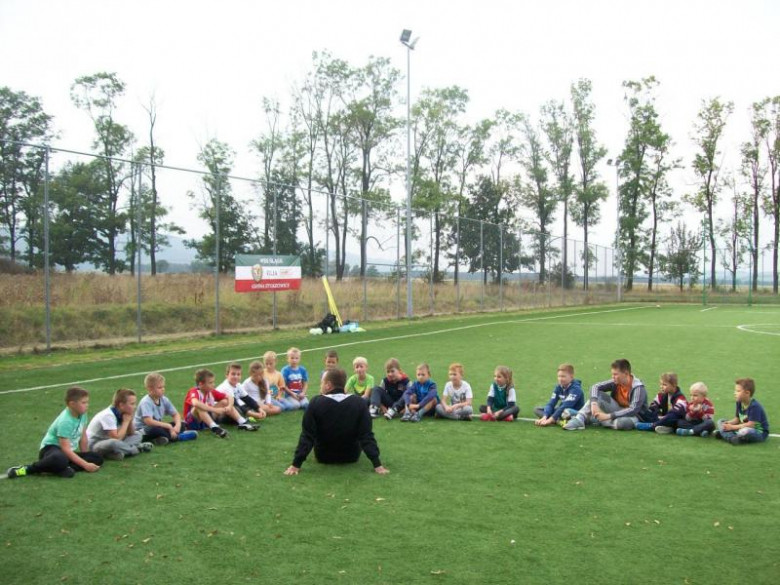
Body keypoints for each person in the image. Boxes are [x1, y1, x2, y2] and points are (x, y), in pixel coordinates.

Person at [284, 368, 389, 476]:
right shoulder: (359, 402)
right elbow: (366, 435)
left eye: (322, 383)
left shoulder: (315, 402)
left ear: (328, 385)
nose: (321, 386)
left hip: (324, 456)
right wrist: (377, 465)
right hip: (351, 456)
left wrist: (296, 464)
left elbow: (307, 435)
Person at [7, 386, 103, 479]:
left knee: (96, 457)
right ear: (72, 404)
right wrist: (85, 464)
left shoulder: (82, 414)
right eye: (84, 402)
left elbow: (83, 437)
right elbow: (65, 449)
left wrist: (85, 456)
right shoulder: (65, 421)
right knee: (59, 459)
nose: (87, 405)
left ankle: (63, 468)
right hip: (51, 450)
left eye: (87, 402)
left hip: (66, 454)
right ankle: (28, 469)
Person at [563, 359, 649, 431]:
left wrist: (608, 416)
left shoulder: (638, 388)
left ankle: (584, 416)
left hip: (634, 416)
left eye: (615, 374)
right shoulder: (616, 382)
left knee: (622, 424)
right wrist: (594, 404)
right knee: (598, 395)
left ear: (626, 374)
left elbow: (633, 410)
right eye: (612, 374)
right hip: (616, 410)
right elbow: (595, 387)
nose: (613, 377)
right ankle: (580, 418)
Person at [183, 369, 255, 438]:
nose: (213, 385)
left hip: (206, 420)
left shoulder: (211, 391)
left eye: (213, 382)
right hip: (192, 422)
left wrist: (229, 406)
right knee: (199, 407)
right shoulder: (194, 391)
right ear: (201, 384)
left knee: (225, 402)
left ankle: (242, 422)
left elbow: (230, 397)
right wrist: (215, 410)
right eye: (210, 383)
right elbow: (195, 403)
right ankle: (215, 428)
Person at [86, 389, 153, 461]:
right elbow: (116, 438)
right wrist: (126, 422)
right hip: (95, 444)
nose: (135, 406)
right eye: (132, 404)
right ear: (121, 405)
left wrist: (129, 420)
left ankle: (115, 453)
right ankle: (136, 449)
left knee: (137, 434)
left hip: (110, 440)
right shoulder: (108, 415)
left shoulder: (122, 412)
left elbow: (131, 433)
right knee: (113, 443)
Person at [135, 372, 197, 446]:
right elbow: (149, 421)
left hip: (158, 426)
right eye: (159, 387)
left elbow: (175, 414)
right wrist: (168, 426)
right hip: (143, 430)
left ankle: (160, 439)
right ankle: (178, 437)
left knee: (182, 424)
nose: (163, 389)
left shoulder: (164, 399)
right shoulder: (146, 402)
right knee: (155, 430)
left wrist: (177, 426)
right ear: (150, 389)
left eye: (163, 387)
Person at [715, 378, 770, 445]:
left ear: (747, 393)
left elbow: (751, 425)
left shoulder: (754, 406)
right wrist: (727, 423)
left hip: (758, 432)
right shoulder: (739, 402)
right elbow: (737, 419)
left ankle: (726, 434)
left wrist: (732, 427)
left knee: (744, 431)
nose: (734, 393)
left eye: (738, 391)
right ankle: (732, 437)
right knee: (721, 421)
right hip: (742, 426)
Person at [216, 362, 264, 426]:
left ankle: (242, 417)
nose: (236, 376)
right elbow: (234, 404)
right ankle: (242, 419)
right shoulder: (226, 387)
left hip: (231, 408)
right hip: (219, 414)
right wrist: (253, 414)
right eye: (233, 374)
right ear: (227, 375)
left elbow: (247, 399)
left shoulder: (238, 385)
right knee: (238, 409)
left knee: (247, 406)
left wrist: (259, 409)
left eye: (238, 374)